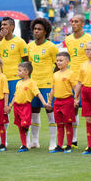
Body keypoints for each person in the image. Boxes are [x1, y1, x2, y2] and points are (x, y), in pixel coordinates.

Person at [0, 17, 29, 144]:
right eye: (1, 25)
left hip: (16, 80)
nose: (2, 27)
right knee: (2, 110)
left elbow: (26, 62)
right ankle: (2, 139)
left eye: (5, 25)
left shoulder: (20, 42)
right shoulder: (0, 42)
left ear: (12, 27)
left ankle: (25, 140)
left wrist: (26, 80)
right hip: (3, 81)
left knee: (20, 110)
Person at [64, 14, 91, 148]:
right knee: (73, 109)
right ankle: (74, 140)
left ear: (83, 24)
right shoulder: (68, 39)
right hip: (73, 79)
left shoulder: (90, 39)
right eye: (72, 21)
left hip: (88, 79)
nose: (73, 24)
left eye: (76, 21)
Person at [27, 18, 58, 150]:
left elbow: (58, 65)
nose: (36, 31)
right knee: (34, 112)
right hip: (33, 85)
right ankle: (34, 141)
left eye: (39, 29)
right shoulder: (29, 46)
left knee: (50, 111)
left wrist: (52, 77)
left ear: (45, 31)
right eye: (35, 29)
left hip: (47, 84)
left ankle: (53, 141)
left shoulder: (51, 47)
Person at [7, 62, 49, 153]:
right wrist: (10, 105)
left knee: (24, 124)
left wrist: (44, 103)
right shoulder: (18, 83)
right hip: (16, 107)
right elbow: (15, 95)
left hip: (25, 106)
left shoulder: (31, 82)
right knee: (19, 126)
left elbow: (38, 93)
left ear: (26, 72)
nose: (18, 72)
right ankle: (24, 145)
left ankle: (27, 139)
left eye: (19, 71)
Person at [47, 52, 77, 154]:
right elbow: (53, 89)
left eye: (61, 60)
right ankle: (59, 145)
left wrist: (77, 99)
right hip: (57, 102)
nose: (58, 62)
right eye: (57, 60)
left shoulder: (71, 73)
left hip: (67, 101)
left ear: (67, 62)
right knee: (59, 124)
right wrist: (49, 101)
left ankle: (69, 145)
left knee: (68, 123)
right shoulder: (55, 74)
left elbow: (75, 88)